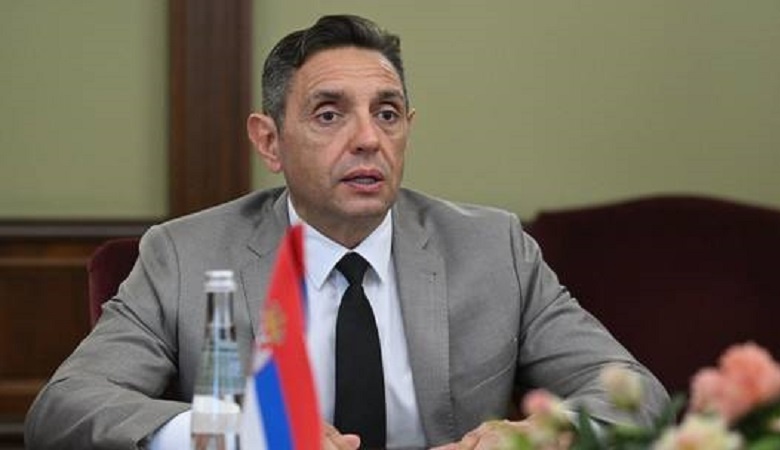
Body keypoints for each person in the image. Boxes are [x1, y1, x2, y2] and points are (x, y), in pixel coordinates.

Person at [25, 14, 669, 449]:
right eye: (329, 114)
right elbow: (64, 407)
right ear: (269, 141)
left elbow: (637, 394)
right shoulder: (185, 255)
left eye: (386, 114)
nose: (367, 139)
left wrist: (538, 435)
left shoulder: (493, 249)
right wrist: (236, 434)